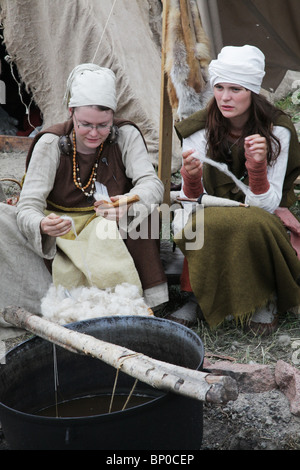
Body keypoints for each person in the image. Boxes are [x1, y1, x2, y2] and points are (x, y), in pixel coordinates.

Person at [0, 64, 168, 329]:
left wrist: (128, 203)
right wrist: (42, 224)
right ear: (71, 114)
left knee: (149, 214)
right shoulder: (50, 143)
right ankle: (44, 302)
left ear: (113, 116)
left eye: (103, 125)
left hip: (108, 222)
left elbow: (151, 184)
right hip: (61, 229)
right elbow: (29, 204)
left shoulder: (126, 136)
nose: (93, 133)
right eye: (85, 124)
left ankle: (145, 302)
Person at [169, 45, 300, 335]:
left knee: (252, 223)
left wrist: (257, 171)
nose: (225, 97)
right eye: (219, 88)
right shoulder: (197, 130)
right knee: (203, 223)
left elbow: (266, 204)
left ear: (252, 91)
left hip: (261, 211)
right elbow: (194, 201)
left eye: (236, 89)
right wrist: (191, 181)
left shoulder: (277, 130)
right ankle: (197, 298)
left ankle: (262, 299)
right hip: (210, 209)